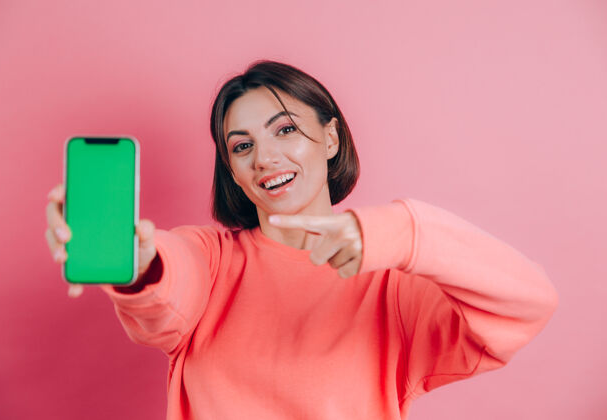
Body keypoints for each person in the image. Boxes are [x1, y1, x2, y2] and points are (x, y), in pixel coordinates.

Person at [45, 60, 559, 420]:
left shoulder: (393, 287)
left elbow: (527, 302)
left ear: (331, 139)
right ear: (234, 172)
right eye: (242, 146)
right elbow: (170, 282)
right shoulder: (212, 260)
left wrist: (400, 232)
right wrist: (140, 261)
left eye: (285, 130)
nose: (264, 158)